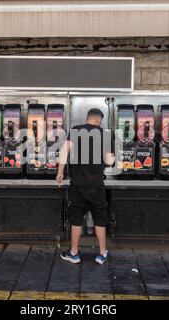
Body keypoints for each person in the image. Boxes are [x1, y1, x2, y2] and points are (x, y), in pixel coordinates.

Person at [56, 108, 114, 265]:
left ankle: (74, 253)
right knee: (100, 219)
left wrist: (60, 172)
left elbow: (64, 152)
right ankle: (102, 253)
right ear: (98, 120)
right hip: (96, 186)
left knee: (76, 219)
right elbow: (109, 161)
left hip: (78, 185)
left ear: (87, 118)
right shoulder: (105, 134)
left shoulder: (75, 130)